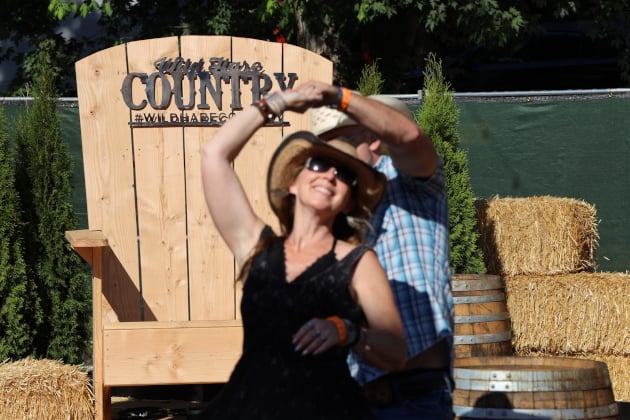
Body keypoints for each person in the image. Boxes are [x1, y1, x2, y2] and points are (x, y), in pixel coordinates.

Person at [196, 85, 407, 419]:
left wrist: (346, 331)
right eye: (319, 164)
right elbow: (214, 154)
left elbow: (395, 352)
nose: (331, 176)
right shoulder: (256, 247)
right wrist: (279, 102)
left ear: (349, 202)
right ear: (293, 183)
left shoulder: (358, 262)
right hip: (245, 407)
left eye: (344, 174)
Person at [307, 83, 455, 419]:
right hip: (354, 391)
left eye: (342, 142)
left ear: (373, 139)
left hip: (416, 392)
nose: (333, 160)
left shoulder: (409, 181)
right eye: (325, 152)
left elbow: (410, 137)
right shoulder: (335, 207)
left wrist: (340, 98)